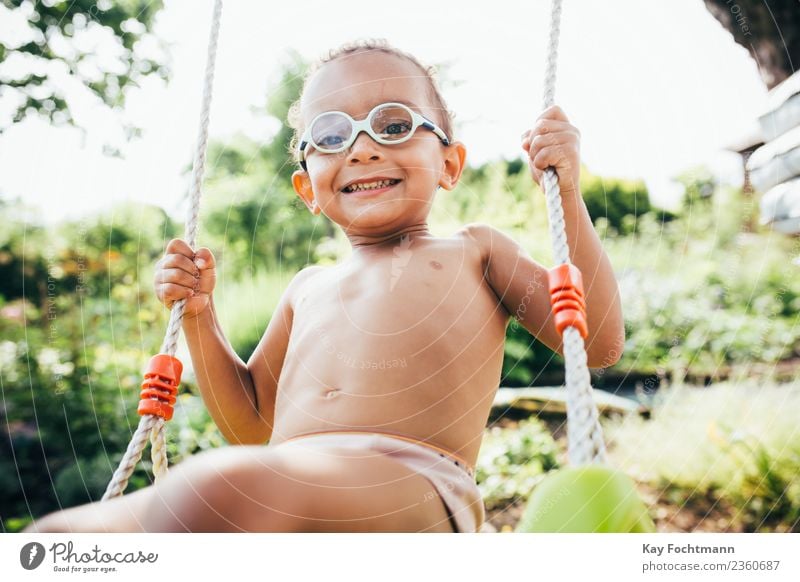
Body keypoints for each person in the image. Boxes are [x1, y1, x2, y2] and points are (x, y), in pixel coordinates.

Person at [25, 39, 624, 533]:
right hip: (290, 483)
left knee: (222, 490)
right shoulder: (306, 287)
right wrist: (201, 315)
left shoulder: (475, 251)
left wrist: (565, 189)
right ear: (308, 188)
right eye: (332, 135)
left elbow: (598, 344)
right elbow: (252, 424)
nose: (362, 148)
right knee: (53, 540)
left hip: (414, 489)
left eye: (393, 124)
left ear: (449, 164)